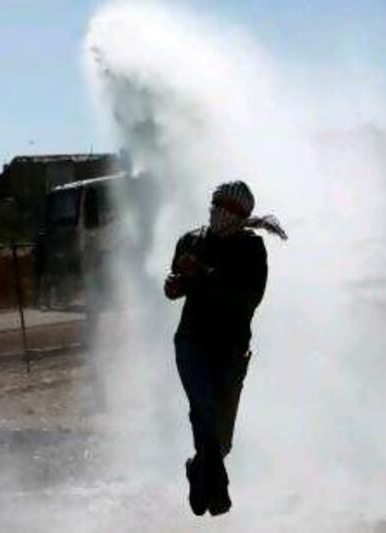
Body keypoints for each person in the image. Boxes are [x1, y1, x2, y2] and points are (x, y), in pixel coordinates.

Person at [164, 180, 287, 516]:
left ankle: (197, 470)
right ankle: (218, 495)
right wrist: (175, 284)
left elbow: (244, 299)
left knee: (221, 442)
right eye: (218, 204)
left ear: (243, 215)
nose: (221, 212)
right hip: (192, 342)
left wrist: (201, 273)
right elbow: (175, 286)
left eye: (230, 209)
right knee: (202, 409)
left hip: (230, 350)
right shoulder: (192, 240)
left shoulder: (251, 250)